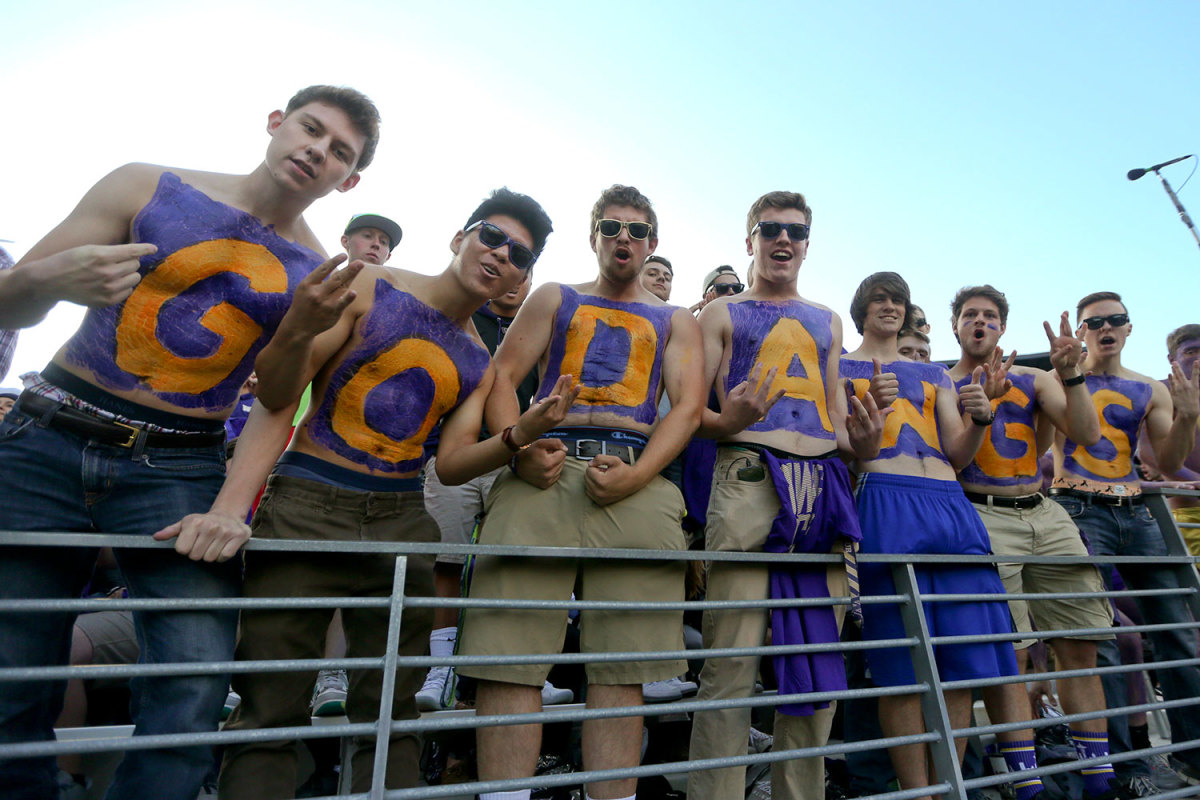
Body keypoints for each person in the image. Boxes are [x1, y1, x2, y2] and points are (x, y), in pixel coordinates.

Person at [0, 84, 380, 800]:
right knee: (12, 674)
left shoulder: (321, 280)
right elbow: (10, 302)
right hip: (47, 433)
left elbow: (277, 403)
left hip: (178, 464)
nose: (316, 151)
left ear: (348, 181)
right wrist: (49, 279)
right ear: (275, 123)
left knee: (196, 677)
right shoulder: (146, 185)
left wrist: (233, 507)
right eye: (310, 129)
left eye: (339, 152)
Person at [200, 188, 571, 797]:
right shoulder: (372, 284)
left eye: (520, 256)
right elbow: (276, 390)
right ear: (460, 238)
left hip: (402, 518)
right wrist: (295, 327)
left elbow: (451, 467)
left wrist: (519, 434)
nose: (502, 256)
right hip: (307, 503)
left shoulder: (478, 358)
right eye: (492, 237)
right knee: (271, 703)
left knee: (393, 714)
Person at [455, 184, 704, 800]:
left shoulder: (676, 319)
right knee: (509, 656)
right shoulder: (553, 296)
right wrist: (518, 448)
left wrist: (642, 475)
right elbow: (504, 376)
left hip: (633, 472)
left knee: (624, 668)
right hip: (544, 461)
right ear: (593, 235)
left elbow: (689, 406)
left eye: (638, 231)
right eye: (613, 227)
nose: (625, 239)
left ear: (653, 244)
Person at [688, 191, 887, 799]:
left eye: (795, 233)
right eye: (770, 229)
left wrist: (865, 442)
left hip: (823, 481)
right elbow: (692, 412)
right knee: (731, 666)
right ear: (749, 239)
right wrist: (728, 420)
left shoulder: (827, 319)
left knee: (816, 668)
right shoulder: (719, 315)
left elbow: (834, 415)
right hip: (747, 473)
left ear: (807, 244)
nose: (783, 240)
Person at [842, 272, 1023, 800]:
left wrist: (982, 419)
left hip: (949, 504)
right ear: (862, 309)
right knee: (900, 664)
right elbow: (842, 448)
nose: (891, 307)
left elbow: (959, 453)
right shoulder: (839, 366)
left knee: (962, 658)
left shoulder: (935, 375)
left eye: (898, 300)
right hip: (883, 499)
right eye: (880, 299)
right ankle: (916, 792)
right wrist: (865, 421)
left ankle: (951, 786)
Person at [948, 285, 1122, 800]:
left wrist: (1071, 374)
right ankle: (1026, 782)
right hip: (982, 511)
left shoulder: (1034, 377)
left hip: (1044, 513)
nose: (980, 323)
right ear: (955, 325)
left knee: (1080, 644)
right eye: (970, 315)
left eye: (990, 316)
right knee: (1013, 654)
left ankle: (1099, 776)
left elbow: (1088, 435)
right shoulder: (941, 382)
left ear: (1003, 326)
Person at [1050, 292, 1200, 787]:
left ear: (1129, 328)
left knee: (1177, 628)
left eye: (1115, 320)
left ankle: (1193, 754)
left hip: (1136, 509)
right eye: (1095, 322)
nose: (1105, 328)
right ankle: (1120, 766)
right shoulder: (1060, 378)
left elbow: (1169, 461)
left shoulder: (1146, 388)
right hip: (1077, 506)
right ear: (1083, 329)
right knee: (1103, 637)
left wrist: (1188, 416)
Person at [416, 268, 573, 712]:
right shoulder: (461, 318)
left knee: (513, 563)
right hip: (455, 455)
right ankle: (442, 667)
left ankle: (521, 668)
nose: (511, 279)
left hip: (518, 461)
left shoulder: (542, 323)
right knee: (446, 560)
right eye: (503, 267)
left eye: (522, 270)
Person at [308, 212, 403, 718]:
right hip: (302, 452)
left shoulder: (391, 302)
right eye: (368, 235)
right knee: (303, 577)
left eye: (385, 241)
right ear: (345, 240)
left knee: (354, 578)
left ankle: (333, 674)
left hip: (371, 465)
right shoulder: (314, 281)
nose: (376, 245)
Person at [1138, 324, 1200, 556]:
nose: (1197, 360)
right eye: (1191, 351)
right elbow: (1150, 455)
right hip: (1189, 516)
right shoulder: (1160, 392)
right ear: (1172, 359)